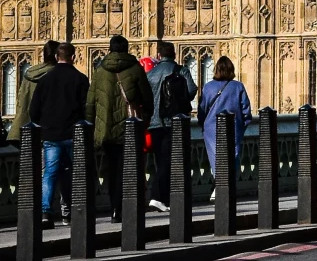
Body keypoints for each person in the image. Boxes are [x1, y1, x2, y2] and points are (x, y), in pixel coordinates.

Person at [89, 33, 153, 220]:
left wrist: (91, 128)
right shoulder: (135, 69)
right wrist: (145, 117)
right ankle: (127, 207)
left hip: (106, 129)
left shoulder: (100, 71)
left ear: (109, 49)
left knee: (112, 170)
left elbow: (90, 102)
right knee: (129, 169)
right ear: (126, 49)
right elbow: (147, 98)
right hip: (130, 129)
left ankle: (114, 208)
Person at [32, 41, 89, 224]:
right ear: (73, 57)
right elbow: (85, 108)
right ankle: (69, 212)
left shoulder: (45, 80)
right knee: (72, 173)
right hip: (73, 133)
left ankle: (45, 212)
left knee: (50, 172)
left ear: (57, 58)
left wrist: (43, 126)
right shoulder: (80, 79)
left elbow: (34, 110)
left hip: (50, 134)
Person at [145, 40, 195, 211]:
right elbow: (191, 90)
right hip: (174, 122)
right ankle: (157, 196)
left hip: (154, 123)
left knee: (160, 159)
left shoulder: (150, 74)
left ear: (159, 56)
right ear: (174, 55)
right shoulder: (181, 70)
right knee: (172, 160)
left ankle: (164, 198)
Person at [198, 55, 253, 178]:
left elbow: (202, 110)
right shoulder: (238, 86)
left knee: (216, 158)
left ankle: (218, 185)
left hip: (211, 129)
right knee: (233, 157)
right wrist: (240, 127)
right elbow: (246, 112)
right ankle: (229, 186)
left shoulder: (208, 87)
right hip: (234, 128)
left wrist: (204, 126)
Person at [7, 41, 55, 143]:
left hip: (23, 126)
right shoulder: (56, 74)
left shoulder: (30, 72)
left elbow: (20, 98)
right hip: (47, 131)